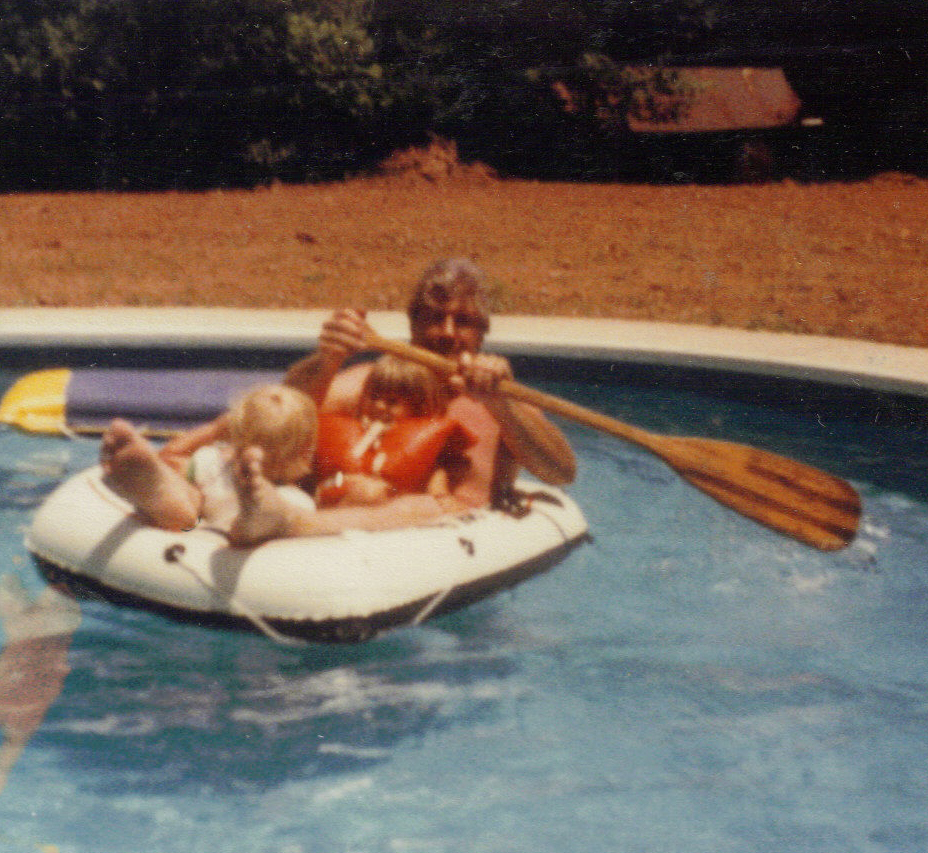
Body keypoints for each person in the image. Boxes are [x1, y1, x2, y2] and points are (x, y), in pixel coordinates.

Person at [224, 257, 577, 542]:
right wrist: (327, 360)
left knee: (422, 506)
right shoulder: (373, 384)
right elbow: (281, 413)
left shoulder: (505, 400)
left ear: (483, 331)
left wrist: (500, 405)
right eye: (435, 318)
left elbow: (560, 473)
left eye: (463, 321)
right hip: (342, 525)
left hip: (446, 538)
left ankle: (291, 523)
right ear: (413, 323)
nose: (448, 333)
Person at [100, 383, 318, 542]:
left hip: (198, 519)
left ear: (232, 433)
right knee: (287, 516)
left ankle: (177, 503)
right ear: (306, 452)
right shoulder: (295, 500)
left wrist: (214, 429)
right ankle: (251, 519)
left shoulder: (212, 462)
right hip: (243, 528)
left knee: (186, 488)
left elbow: (169, 455)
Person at [314, 354, 474, 507]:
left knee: (374, 492)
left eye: (392, 402)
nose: (379, 406)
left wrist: (442, 498)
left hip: (393, 510)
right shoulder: (346, 430)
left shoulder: (427, 447)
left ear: (418, 407)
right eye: (373, 397)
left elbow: (438, 495)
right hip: (339, 501)